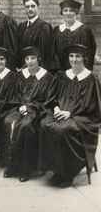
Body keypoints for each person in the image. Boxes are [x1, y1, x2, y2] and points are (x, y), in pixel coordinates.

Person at [39, 44, 101, 188]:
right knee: (45, 124)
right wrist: (55, 109)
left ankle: (68, 173)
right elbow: (53, 98)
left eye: (78, 56)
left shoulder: (91, 79)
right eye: (71, 56)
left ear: (84, 58)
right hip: (61, 113)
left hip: (84, 118)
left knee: (64, 130)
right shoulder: (62, 76)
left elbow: (94, 106)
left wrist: (70, 113)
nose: (74, 59)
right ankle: (57, 170)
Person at [2, 46, 56, 182]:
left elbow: (48, 101)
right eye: (27, 58)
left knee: (26, 126)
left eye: (33, 58)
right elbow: (14, 95)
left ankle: (26, 168)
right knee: (9, 122)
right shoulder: (20, 76)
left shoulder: (48, 77)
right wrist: (21, 106)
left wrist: (30, 107)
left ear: (39, 59)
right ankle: (12, 165)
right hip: (19, 108)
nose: (30, 61)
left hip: (38, 111)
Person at [53, 0, 96, 70]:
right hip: (61, 72)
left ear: (76, 12)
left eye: (71, 11)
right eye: (65, 10)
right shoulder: (57, 30)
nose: (68, 13)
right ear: (62, 13)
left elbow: (89, 53)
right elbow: (54, 53)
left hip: (79, 71)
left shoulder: (84, 30)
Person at [16, 0, 54, 70]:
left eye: (33, 6)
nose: (30, 9)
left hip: (37, 69)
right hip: (23, 70)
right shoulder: (21, 26)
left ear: (38, 7)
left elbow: (44, 53)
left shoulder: (44, 27)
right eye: (27, 7)